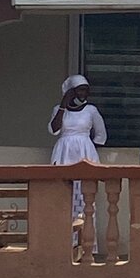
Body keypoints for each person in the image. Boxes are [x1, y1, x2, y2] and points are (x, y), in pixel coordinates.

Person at [48, 75, 107, 222]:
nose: (84, 94)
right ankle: (65, 241)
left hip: (84, 153)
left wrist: (88, 149)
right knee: (63, 196)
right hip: (63, 153)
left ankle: (84, 240)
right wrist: (63, 104)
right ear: (71, 92)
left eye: (86, 90)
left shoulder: (91, 110)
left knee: (85, 197)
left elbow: (101, 135)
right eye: (80, 90)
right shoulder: (58, 109)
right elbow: (54, 129)